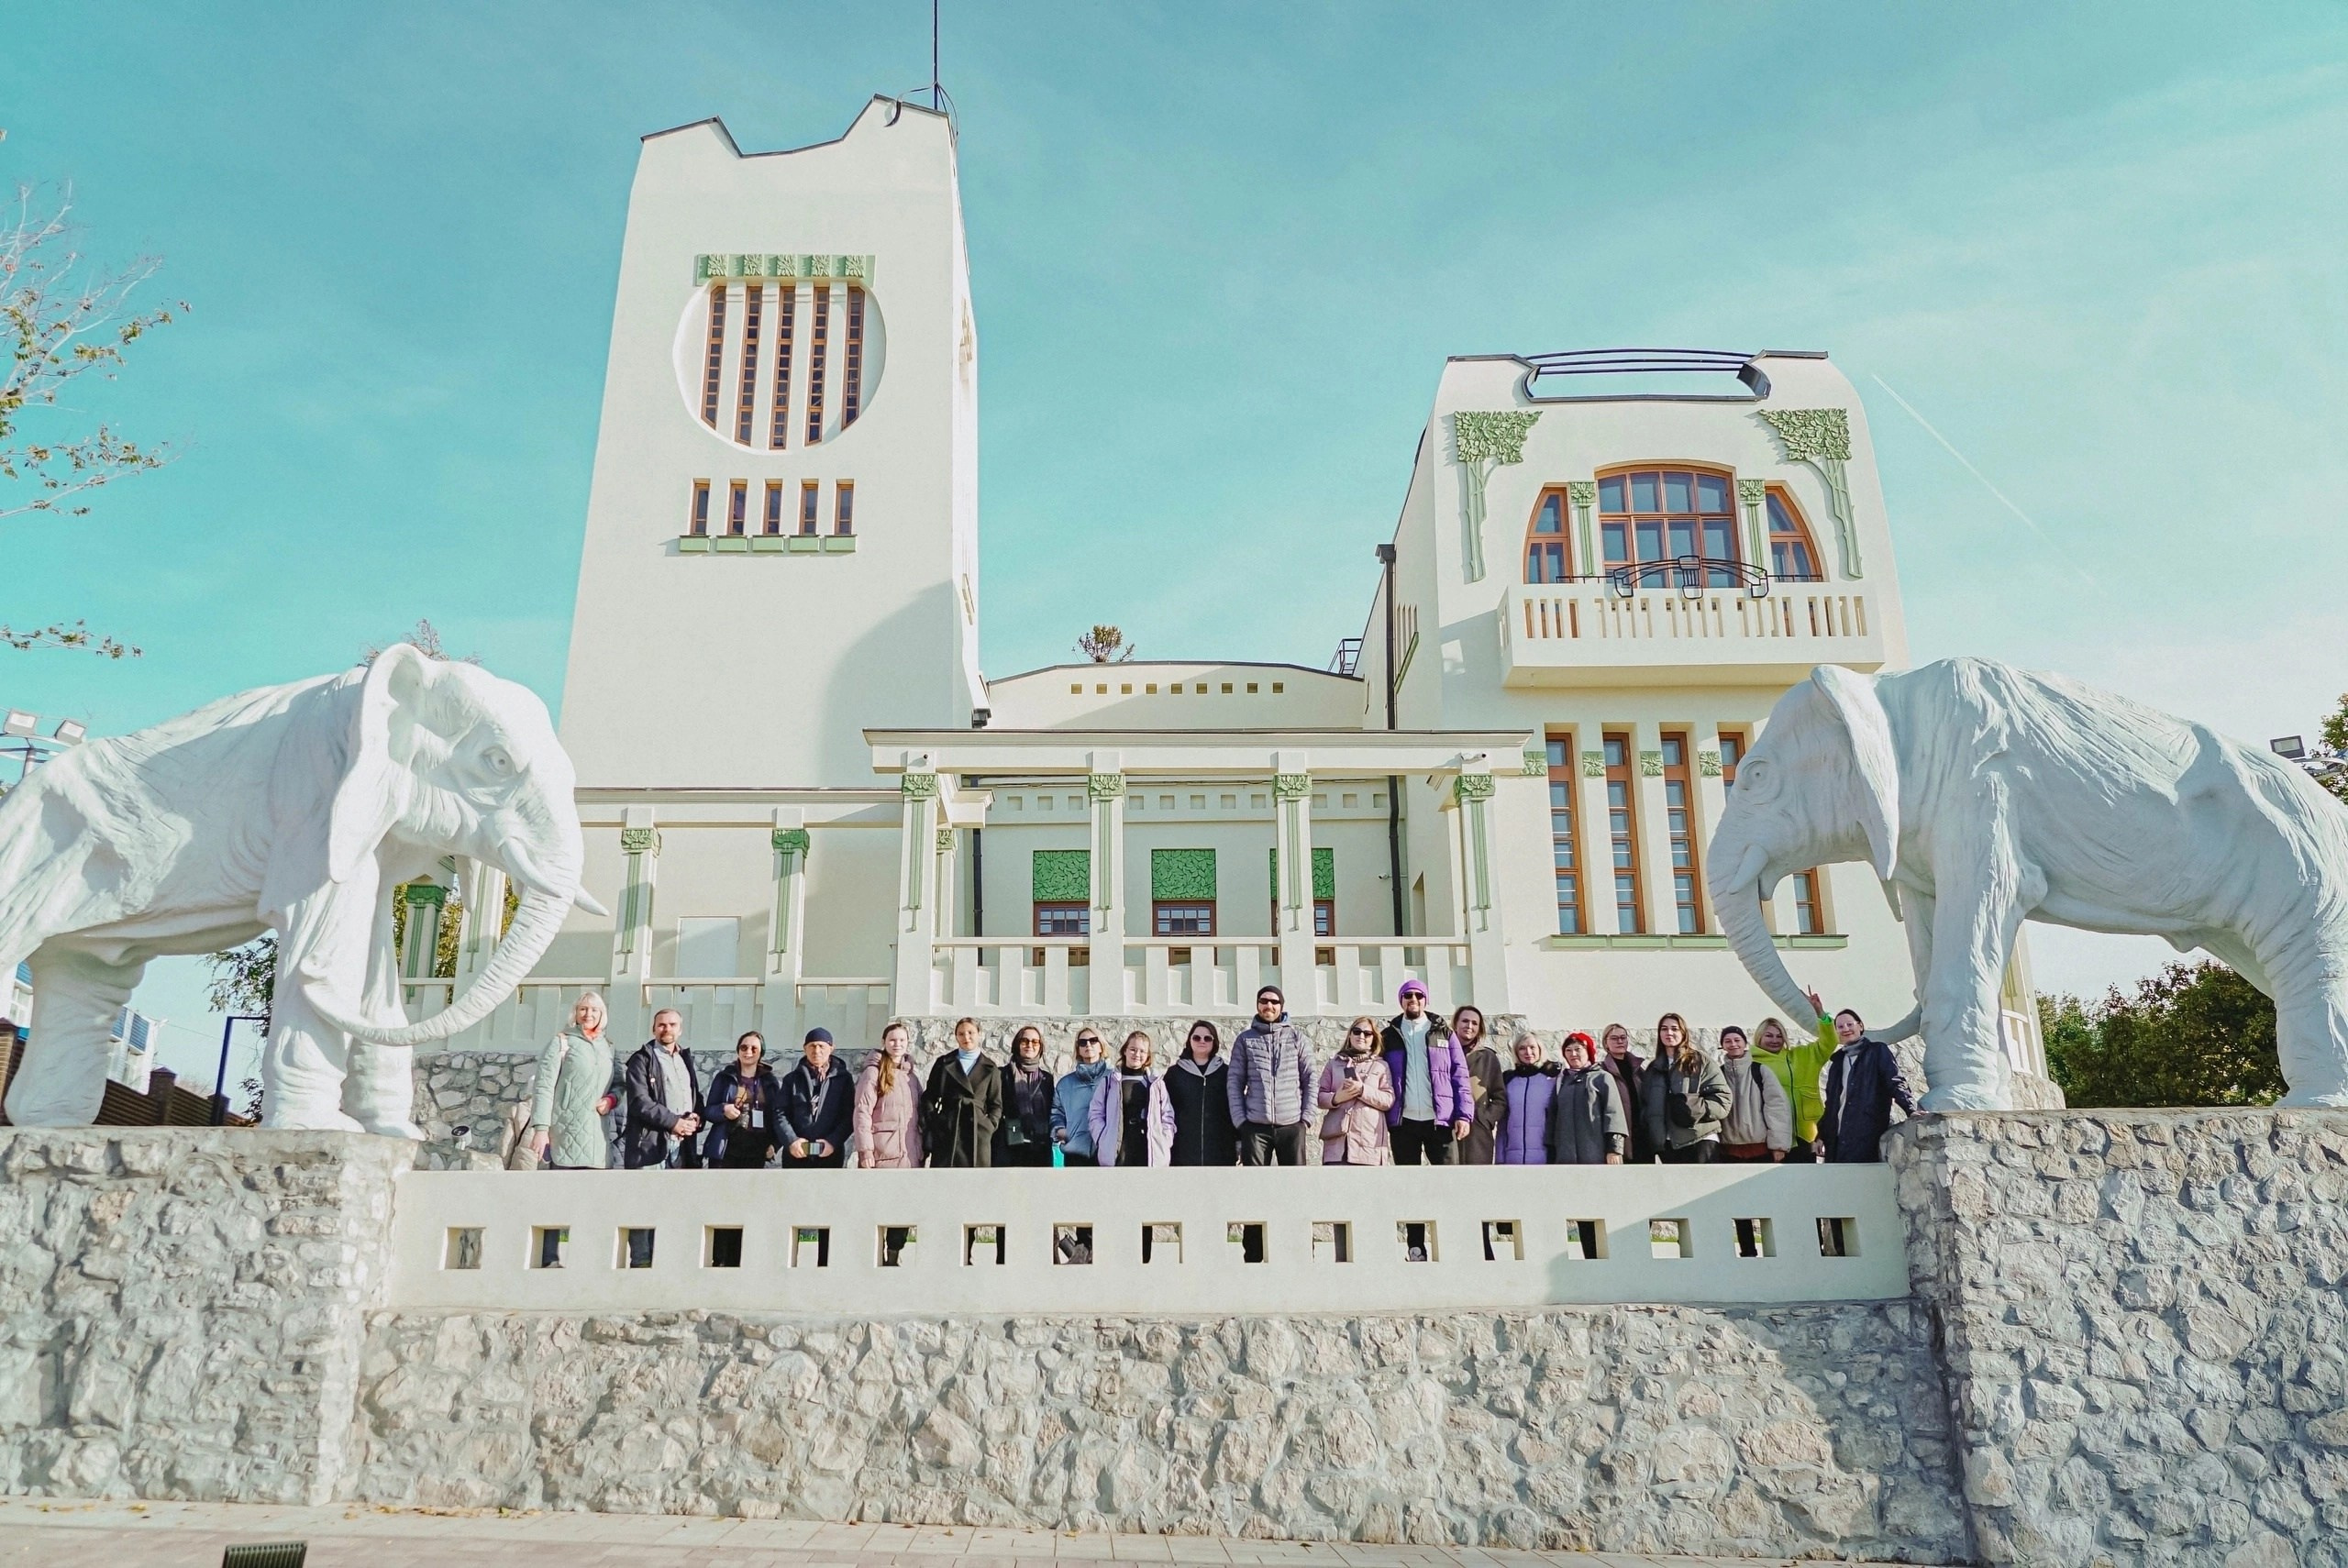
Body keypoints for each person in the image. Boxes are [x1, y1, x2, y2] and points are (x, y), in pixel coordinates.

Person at [1380, 980, 1471, 1165]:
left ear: (1425, 1000)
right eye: (1408, 995)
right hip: (1403, 1122)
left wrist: (1463, 1115)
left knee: (1448, 1182)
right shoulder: (1388, 1036)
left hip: (1440, 1121)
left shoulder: (1444, 1033)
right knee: (1408, 1184)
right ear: (1401, 1001)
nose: (1413, 999)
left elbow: (1460, 1075)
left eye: (1419, 995)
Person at [527, 991, 620, 1171]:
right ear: (575, 1013)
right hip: (565, 1133)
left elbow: (620, 1085)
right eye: (583, 1009)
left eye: (594, 1010)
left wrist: (611, 1100)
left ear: (602, 1014)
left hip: (598, 1140)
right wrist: (541, 1129)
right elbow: (543, 1087)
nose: (588, 1014)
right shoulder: (561, 1043)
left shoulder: (609, 1047)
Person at [1817, 1001, 1919, 1164]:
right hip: (1836, 1139)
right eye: (1840, 1026)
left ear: (1860, 1026)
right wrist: (1821, 1135)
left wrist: (1910, 1108)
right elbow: (1832, 1104)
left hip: (1865, 1133)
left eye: (1850, 1024)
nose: (1846, 1029)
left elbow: (1894, 1081)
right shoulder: (1837, 1063)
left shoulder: (1877, 1051)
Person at [1227, 986, 1314, 1165]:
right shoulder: (1245, 1039)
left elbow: (1310, 1079)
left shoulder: (1297, 1038)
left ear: (1281, 1006)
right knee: (1255, 1186)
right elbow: (1235, 1082)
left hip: (1292, 1125)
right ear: (1258, 1005)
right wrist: (1240, 1121)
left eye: (1274, 1002)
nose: (1269, 1005)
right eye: (1264, 1001)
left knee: (1296, 1186)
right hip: (1255, 1127)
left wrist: (1306, 1119)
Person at [1639, 1011, 1730, 1164]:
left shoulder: (1700, 1061)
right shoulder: (1653, 1069)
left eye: (1674, 1028)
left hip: (1700, 1140)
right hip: (1668, 1145)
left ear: (1683, 1032)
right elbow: (1645, 1104)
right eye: (1664, 1029)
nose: (1669, 1033)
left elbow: (1723, 1099)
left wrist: (1697, 1109)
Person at [623, 1008, 703, 1171]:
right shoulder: (642, 1060)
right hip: (650, 1148)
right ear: (653, 1029)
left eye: (672, 1025)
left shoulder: (685, 1059)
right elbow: (640, 1102)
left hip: (683, 1146)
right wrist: (674, 1122)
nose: (667, 1029)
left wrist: (697, 1119)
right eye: (661, 1025)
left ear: (680, 1030)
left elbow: (695, 1096)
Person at [923, 1016, 1002, 1167]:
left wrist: (988, 1126)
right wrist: (937, 1122)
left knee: (977, 1184)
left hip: (978, 1132)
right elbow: (929, 1097)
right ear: (956, 1037)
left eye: (970, 1032)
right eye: (961, 1034)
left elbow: (996, 1104)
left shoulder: (991, 1068)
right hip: (949, 1131)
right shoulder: (944, 1063)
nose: (966, 1037)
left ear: (979, 1033)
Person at [1755, 1013, 1833, 1162]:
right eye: (1769, 1036)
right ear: (1759, 1037)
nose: (1775, 1040)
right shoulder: (1751, 1061)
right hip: (1771, 1137)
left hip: (1805, 1134)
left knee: (1804, 1181)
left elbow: (1829, 1042)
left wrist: (1822, 1016)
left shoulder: (1801, 1055)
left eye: (1779, 1036)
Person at [1317, 1017, 1395, 1165]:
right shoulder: (1334, 1064)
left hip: (1368, 1143)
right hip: (1337, 1144)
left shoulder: (1381, 1066)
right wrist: (1336, 1098)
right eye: (1357, 1031)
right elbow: (1319, 1096)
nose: (1361, 1036)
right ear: (1350, 1035)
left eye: (1367, 1033)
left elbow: (1388, 1099)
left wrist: (1362, 1090)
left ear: (1374, 1038)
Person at [1091, 1031, 1175, 1166]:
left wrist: (1165, 1141)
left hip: (1148, 1150)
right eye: (1133, 1049)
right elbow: (1095, 1113)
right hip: (1119, 1149)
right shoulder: (1109, 1082)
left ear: (1147, 1055)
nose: (1137, 1054)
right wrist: (1102, 1138)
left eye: (1142, 1051)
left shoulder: (1156, 1084)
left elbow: (1167, 1115)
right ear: (1125, 1051)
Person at [775, 1027, 853, 1168]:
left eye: (821, 1046)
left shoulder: (843, 1080)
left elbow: (849, 1116)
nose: (816, 1051)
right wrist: (792, 1141)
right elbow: (780, 1114)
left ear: (831, 1048)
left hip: (829, 1154)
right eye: (812, 1046)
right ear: (805, 1049)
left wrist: (833, 1142)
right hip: (796, 1154)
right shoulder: (791, 1080)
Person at [703, 1031, 782, 1169]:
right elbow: (708, 1111)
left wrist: (775, 1145)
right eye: (744, 1047)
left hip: (756, 1150)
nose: (748, 1052)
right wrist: (724, 1110)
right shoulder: (725, 1077)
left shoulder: (769, 1082)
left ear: (761, 1053)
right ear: (738, 1050)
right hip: (726, 1147)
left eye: (754, 1048)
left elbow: (777, 1116)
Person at [1717, 1024, 1793, 1163]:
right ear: (1722, 1045)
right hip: (1728, 1149)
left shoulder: (1760, 1071)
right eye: (1728, 1041)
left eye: (1737, 1040)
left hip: (1760, 1148)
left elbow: (1777, 1108)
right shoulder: (1718, 1074)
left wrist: (1779, 1146)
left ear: (1745, 1043)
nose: (1733, 1044)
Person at [1550, 1031, 1628, 1165]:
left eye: (1578, 1049)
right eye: (1568, 1050)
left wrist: (1614, 1149)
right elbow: (1553, 1117)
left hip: (1596, 1154)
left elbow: (1614, 1114)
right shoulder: (1561, 1081)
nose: (1573, 1054)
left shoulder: (1602, 1078)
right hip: (1565, 1157)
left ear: (1588, 1052)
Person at [854, 1021, 924, 1169]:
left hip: (911, 1156)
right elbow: (863, 1111)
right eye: (892, 1040)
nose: (897, 1044)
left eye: (902, 1040)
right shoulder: (873, 1073)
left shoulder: (911, 1078)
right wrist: (865, 1151)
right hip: (882, 1155)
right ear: (884, 1042)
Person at [994, 1024, 1056, 1167]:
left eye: (1035, 1042)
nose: (1030, 1045)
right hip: (1008, 1148)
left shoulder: (1047, 1079)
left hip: (1039, 1149)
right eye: (1025, 1041)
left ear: (1040, 1047)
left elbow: (1050, 1112)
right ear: (1018, 1044)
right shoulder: (1002, 1075)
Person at [1494, 1032, 1558, 1165]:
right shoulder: (1508, 1080)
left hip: (1544, 1159)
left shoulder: (1552, 1080)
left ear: (1540, 1050)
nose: (1528, 1052)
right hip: (1512, 1159)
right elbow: (1502, 1125)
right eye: (1522, 1048)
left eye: (1532, 1047)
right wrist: (1500, 1159)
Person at [1455, 1005, 1506, 1165]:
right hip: (1448, 1130)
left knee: (1476, 1183)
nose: (1469, 1026)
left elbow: (1500, 1098)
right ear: (1456, 1023)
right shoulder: (1445, 1053)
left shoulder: (1488, 1058)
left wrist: (1486, 1119)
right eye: (1465, 1021)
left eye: (1474, 1023)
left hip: (1478, 1132)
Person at [1051, 1029, 1112, 1166]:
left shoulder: (1113, 1079)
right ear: (1078, 1049)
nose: (1088, 1045)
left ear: (1101, 1046)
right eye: (1083, 1042)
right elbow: (1056, 1113)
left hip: (1106, 1151)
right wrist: (1061, 1131)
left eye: (1093, 1041)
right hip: (1075, 1152)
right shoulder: (1065, 1084)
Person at [1594, 1023, 1647, 1164]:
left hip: (1641, 1138)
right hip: (1619, 1141)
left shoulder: (1638, 1070)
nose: (1620, 1041)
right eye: (1614, 1038)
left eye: (1623, 1038)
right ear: (1606, 1042)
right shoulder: (1601, 1072)